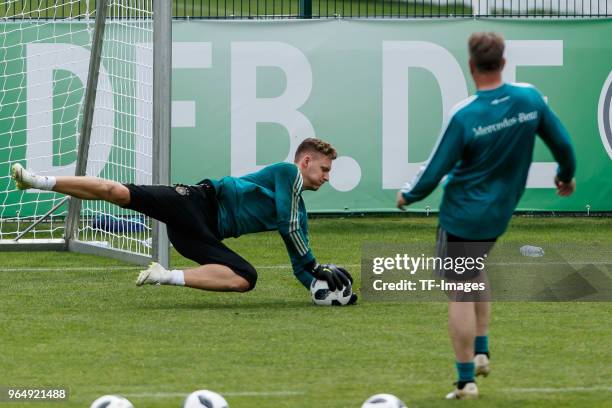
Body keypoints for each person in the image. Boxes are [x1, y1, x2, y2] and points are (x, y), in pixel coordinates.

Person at [396, 32, 576, 399]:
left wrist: (407, 196)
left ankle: (465, 381)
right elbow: (564, 144)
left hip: (462, 215)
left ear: (471, 65)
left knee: (459, 291)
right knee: (475, 269)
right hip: (499, 214)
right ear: (503, 61)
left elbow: (433, 171)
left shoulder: (465, 115)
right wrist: (566, 175)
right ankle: (481, 350)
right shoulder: (529, 99)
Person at [11, 137, 355, 302]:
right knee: (117, 192)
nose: (326, 177)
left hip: (199, 235)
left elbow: (298, 263)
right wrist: (315, 264)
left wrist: (322, 288)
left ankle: (166, 275)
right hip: (195, 203)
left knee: (245, 278)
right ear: (305, 161)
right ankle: (37, 181)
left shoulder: (299, 214)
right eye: (325, 169)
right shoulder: (288, 174)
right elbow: (288, 226)